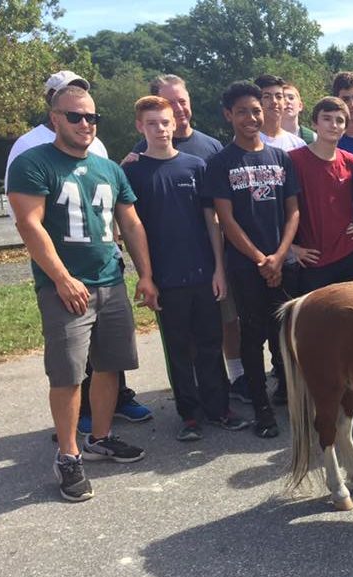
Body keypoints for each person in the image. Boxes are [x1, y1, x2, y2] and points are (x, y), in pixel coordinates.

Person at [6, 85, 159, 502]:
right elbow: (29, 225)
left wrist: (145, 275)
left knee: (110, 366)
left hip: (109, 280)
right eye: (75, 116)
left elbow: (131, 224)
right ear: (54, 118)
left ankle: (100, 438)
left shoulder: (108, 168)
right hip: (66, 289)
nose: (85, 124)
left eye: (92, 117)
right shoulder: (33, 163)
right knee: (69, 374)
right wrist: (61, 278)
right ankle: (69, 455)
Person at [122, 96, 249, 441]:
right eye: (152, 123)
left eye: (165, 122)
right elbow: (130, 229)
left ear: (174, 123)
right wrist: (146, 277)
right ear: (140, 127)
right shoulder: (131, 171)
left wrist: (219, 270)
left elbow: (213, 223)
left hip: (204, 274)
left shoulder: (196, 166)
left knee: (210, 344)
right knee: (179, 351)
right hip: (165, 279)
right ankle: (189, 415)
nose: (160, 129)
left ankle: (219, 408)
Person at [203, 81, 301, 438]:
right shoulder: (220, 163)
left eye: (256, 110)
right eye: (242, 111)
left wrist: (279, 256)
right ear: (229, 115)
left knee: (285, 334)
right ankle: (260, 406)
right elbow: (225, 220)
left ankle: (287, 394)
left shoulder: (281, 159)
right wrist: (262, 259)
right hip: (246, 267)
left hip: (282, 264)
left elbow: (293, 212)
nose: (251, 117)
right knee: (253, 335)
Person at [288, 97, 353, 293]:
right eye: (327, 118)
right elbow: (279, 208)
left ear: (345, 127)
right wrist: (291, 248)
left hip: (349, 254)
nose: (333, 125)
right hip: (312, 259)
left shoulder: (350, 161)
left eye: (339, 120)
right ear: (314, 123)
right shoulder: (294, 160)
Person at [254, 74, 306, 151]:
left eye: (279, 97)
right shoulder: (247, 141)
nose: (274, 101)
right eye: (267, 97)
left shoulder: (298, 145)